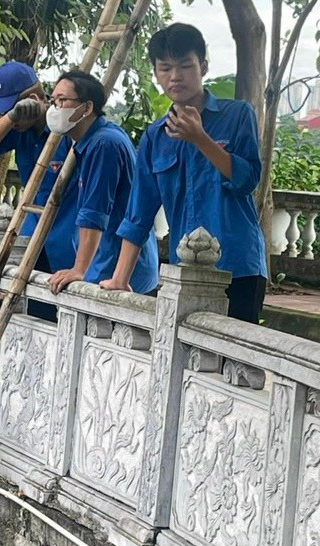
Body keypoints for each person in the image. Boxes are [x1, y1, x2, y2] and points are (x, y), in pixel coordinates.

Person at [103, 23, 268, 323]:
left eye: (185, 66)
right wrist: (119, 278)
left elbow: (247, 180)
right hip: (184, 270)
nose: (175, 76)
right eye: (165, 68)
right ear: (155, 74)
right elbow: (139, 213)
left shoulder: (238, 115)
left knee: (236, 363)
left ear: (203, 67)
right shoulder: (155, 136)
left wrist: (200, 139)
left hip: (238, 264)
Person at [0, 61, 80, 319]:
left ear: (34, 98)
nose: (5, 117)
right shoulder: (20, 129)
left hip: (70, 245)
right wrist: (11, 117)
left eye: (9, 109)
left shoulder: (68, 131)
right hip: (33, 241)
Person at [44, 70, 159, 295]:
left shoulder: (103, 144)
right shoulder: (93, 140)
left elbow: (95, 212)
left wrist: (79, 270)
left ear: (86, 108)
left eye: (63, 100)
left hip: (116, 270)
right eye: (53, 100)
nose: (55, 108)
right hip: (109, 264)